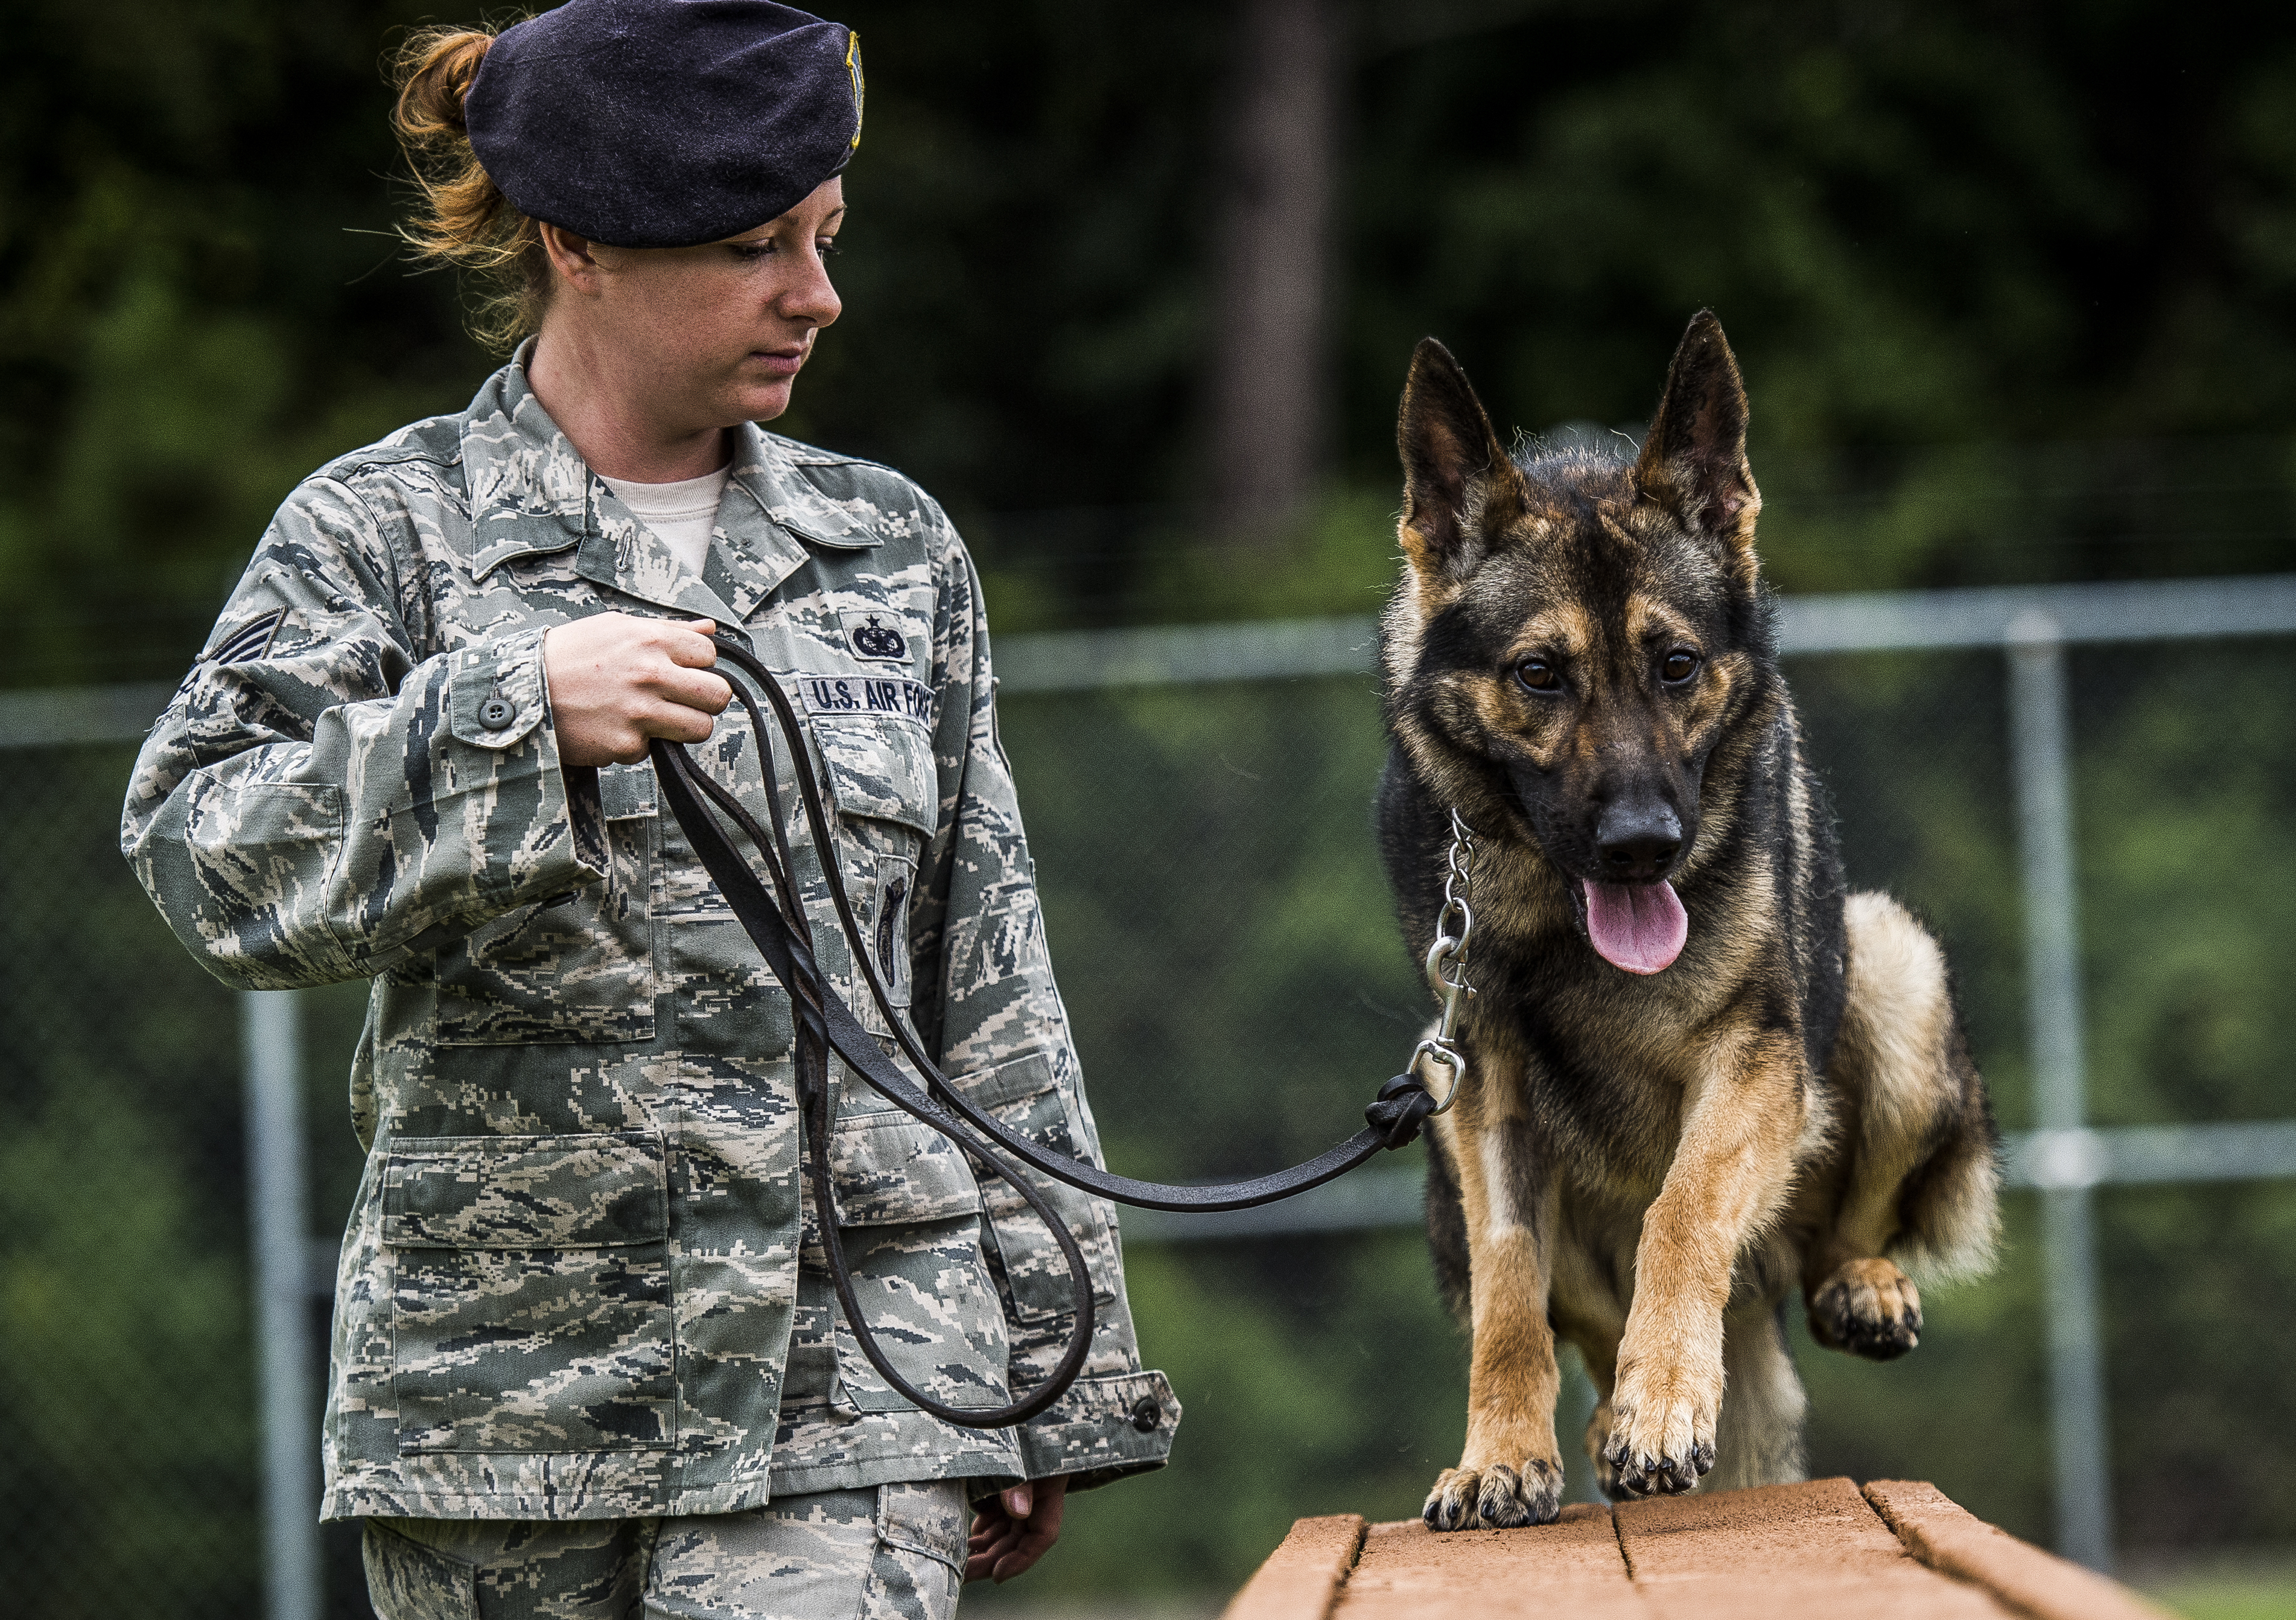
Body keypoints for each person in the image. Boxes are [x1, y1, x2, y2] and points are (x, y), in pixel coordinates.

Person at [120, 4, 1176, 1615]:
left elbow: (989, 970)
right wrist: (511, 719)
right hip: (499, 1403)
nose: (817, 294)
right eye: (758, 248)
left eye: (824, 238)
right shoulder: (377, 536)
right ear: (581, 246)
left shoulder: (890, 548)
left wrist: (1055, 1355)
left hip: (861, 1372)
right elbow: (204, 855)